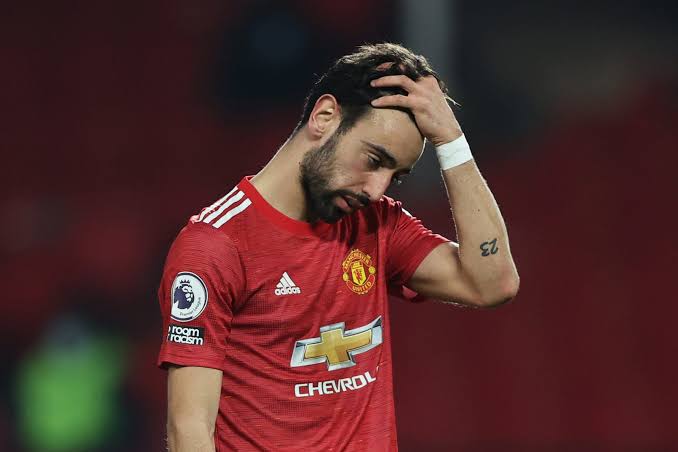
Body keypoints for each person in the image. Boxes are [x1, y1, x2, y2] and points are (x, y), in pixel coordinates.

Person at [157, 42, 519, 451]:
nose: (377, 189)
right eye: (374, 160)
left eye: (395, 176)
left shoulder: (375, 224)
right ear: (325, 116)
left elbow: (492, 283)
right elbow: (189, 430)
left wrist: (451, 141)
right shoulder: (215, 246)